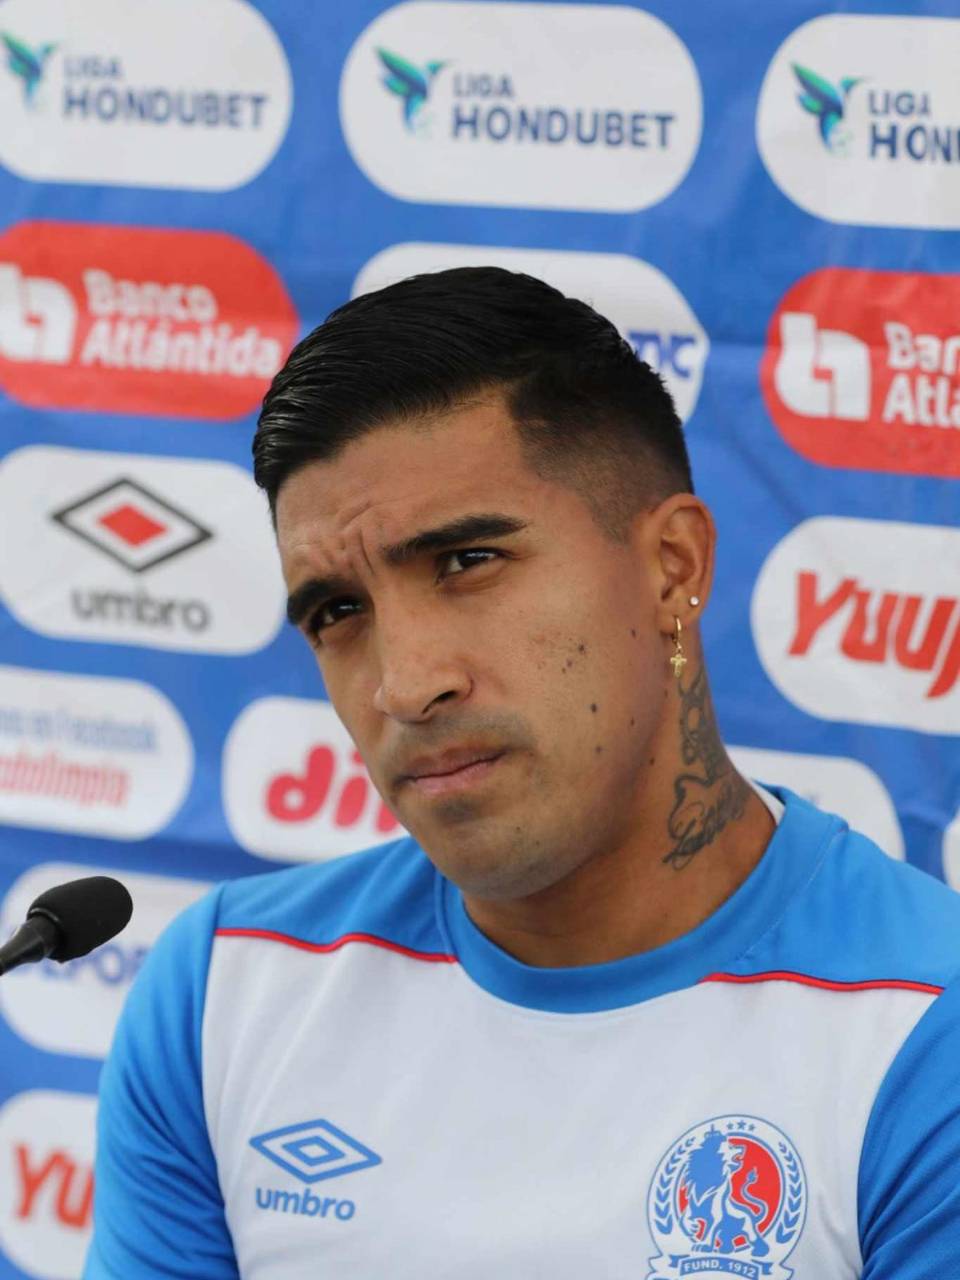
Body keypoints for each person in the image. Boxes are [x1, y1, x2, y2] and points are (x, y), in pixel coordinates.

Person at [86, 268, 960, 1279]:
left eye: (466, 562)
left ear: (673, 565)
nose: (405, 684)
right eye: (337, 611)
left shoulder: (925, 1026)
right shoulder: (222, 991)